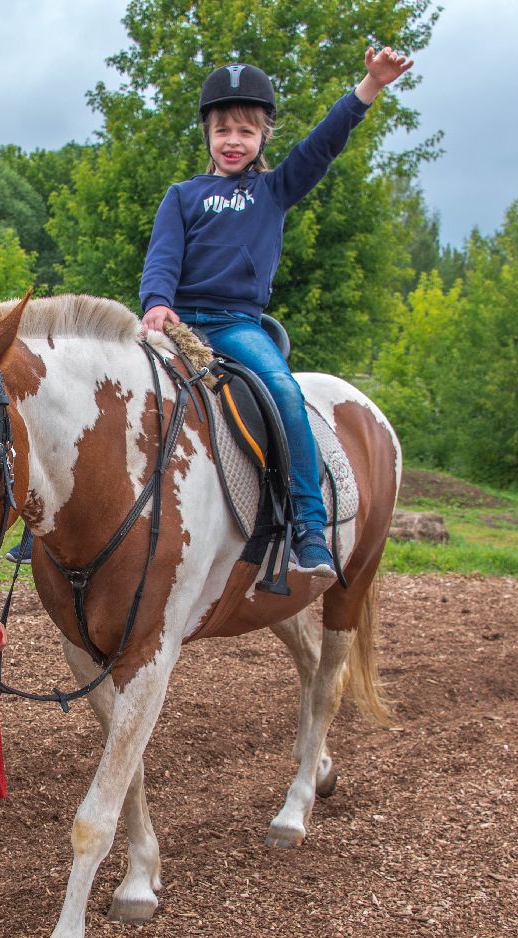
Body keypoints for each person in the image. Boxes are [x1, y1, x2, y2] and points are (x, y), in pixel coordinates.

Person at [139, 48, 414, 576]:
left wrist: (369, 87)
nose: (233, 141)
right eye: (223, 131)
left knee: (284, 392)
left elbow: (324, 144)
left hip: (236, 325)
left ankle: (309, 525)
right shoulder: (182, 195)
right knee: (110, 383)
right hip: (176, 321)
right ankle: (52, 531)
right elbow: (162, 259)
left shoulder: (273, 190)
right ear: (208, 138)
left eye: (246, 130)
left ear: (264, 136)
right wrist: (156, 304)